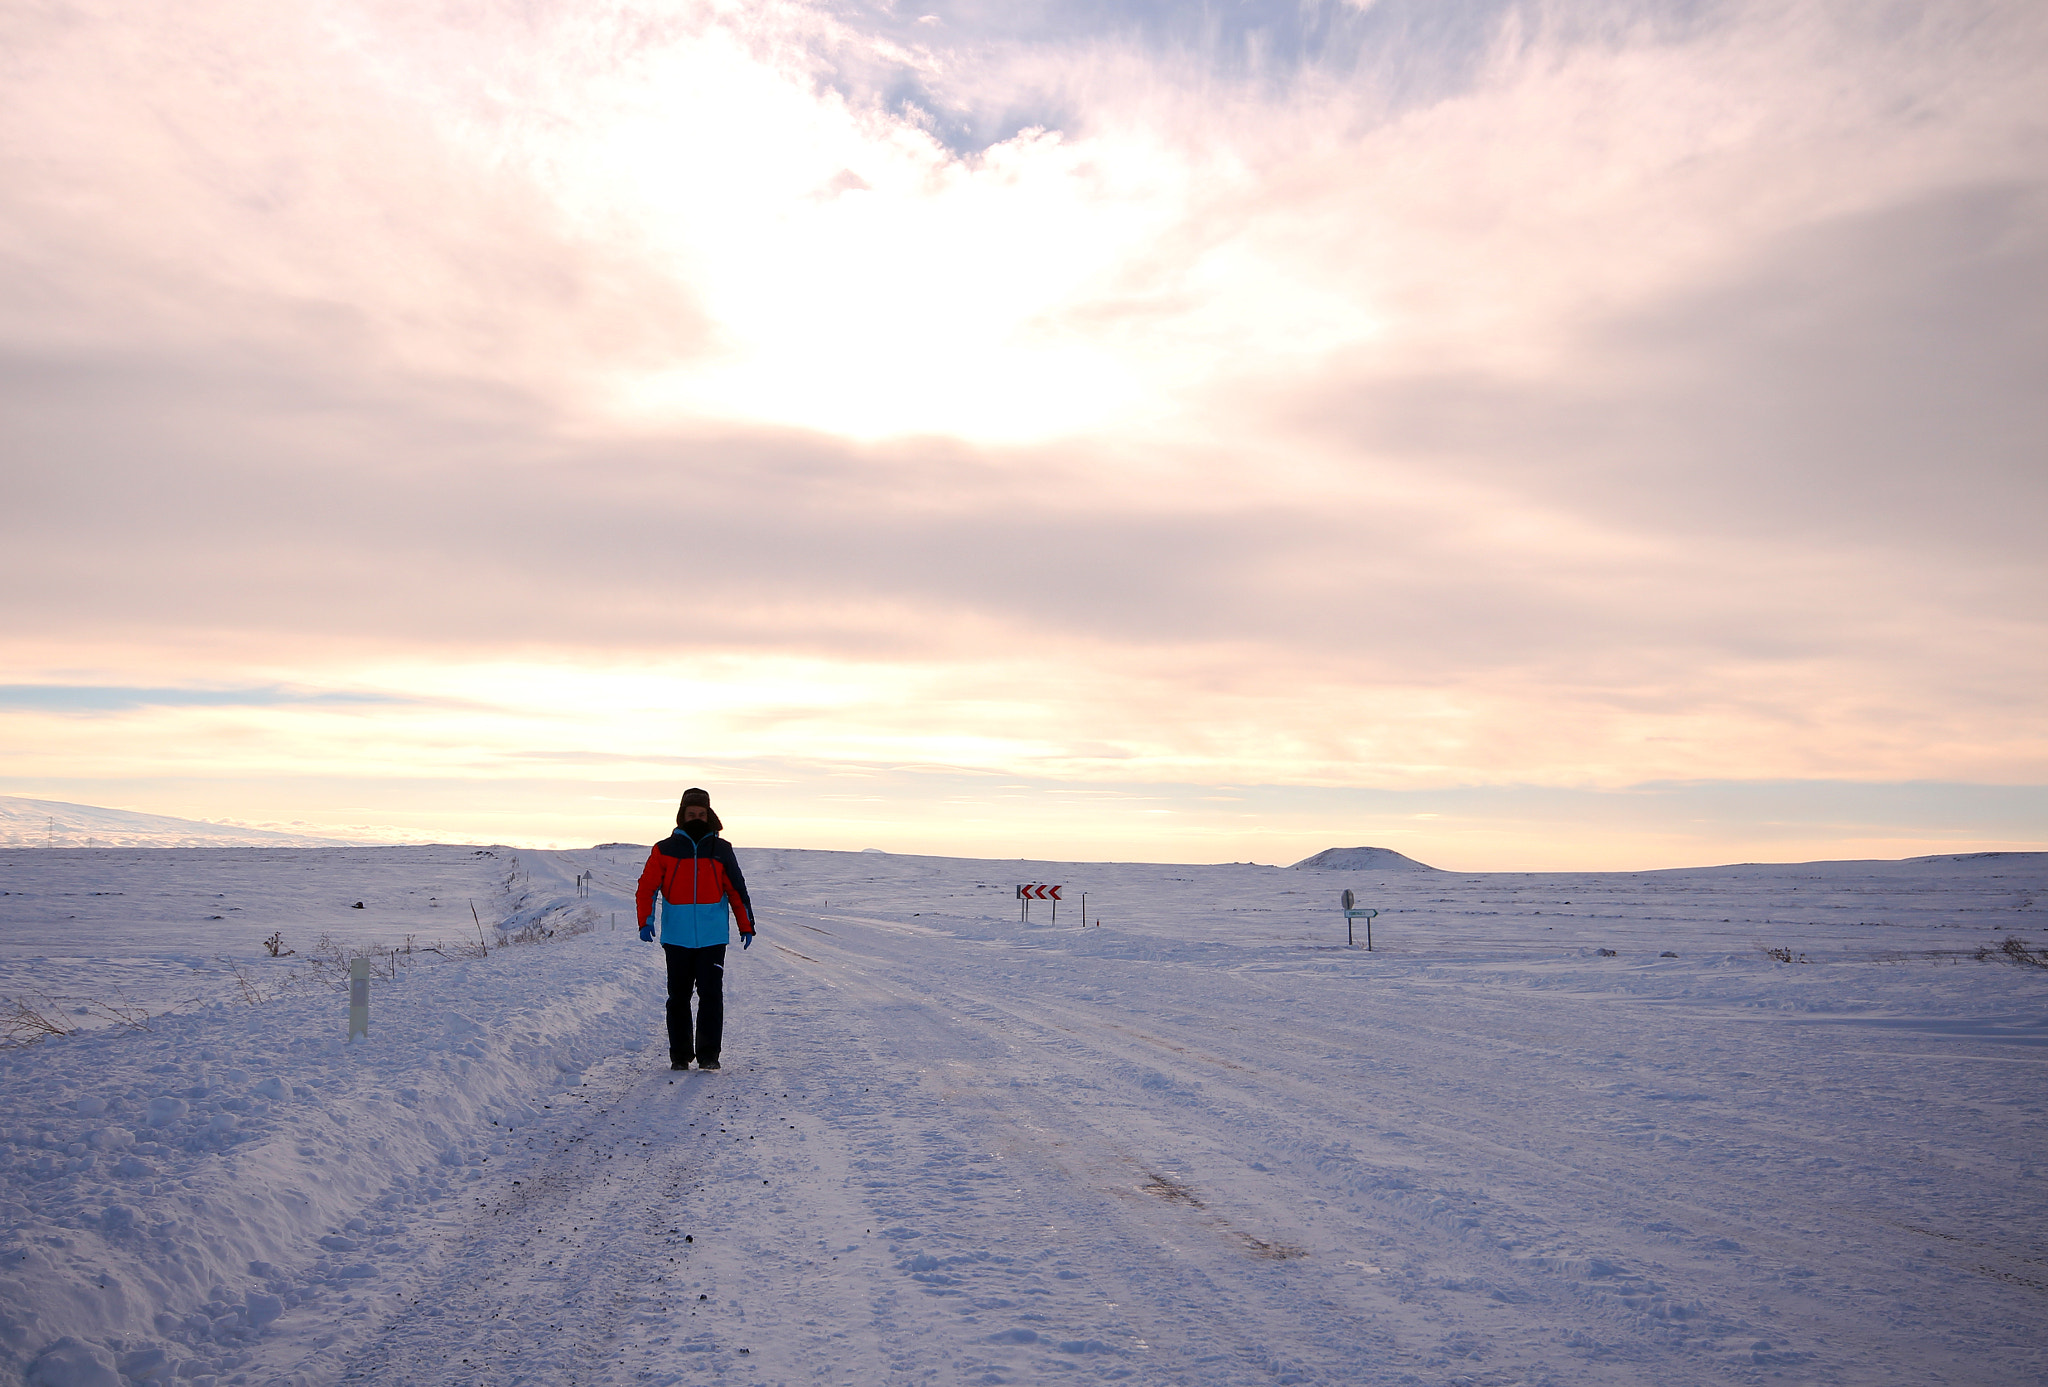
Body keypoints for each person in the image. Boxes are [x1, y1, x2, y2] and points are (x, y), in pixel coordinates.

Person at [634, 788, 756, 1071]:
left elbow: (737, 890)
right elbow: (646, 889)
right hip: (677, 938)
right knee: (678, 997)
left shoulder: (721, 849)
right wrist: (645, 921)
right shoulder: (664, 849)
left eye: (702, 814)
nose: (697, 818)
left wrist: (746, 924)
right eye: (692, 814)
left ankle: (709, 1055)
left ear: (709, 814)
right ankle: (679, 1056)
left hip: (713, 938)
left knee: (711, 996)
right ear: (682, 816)